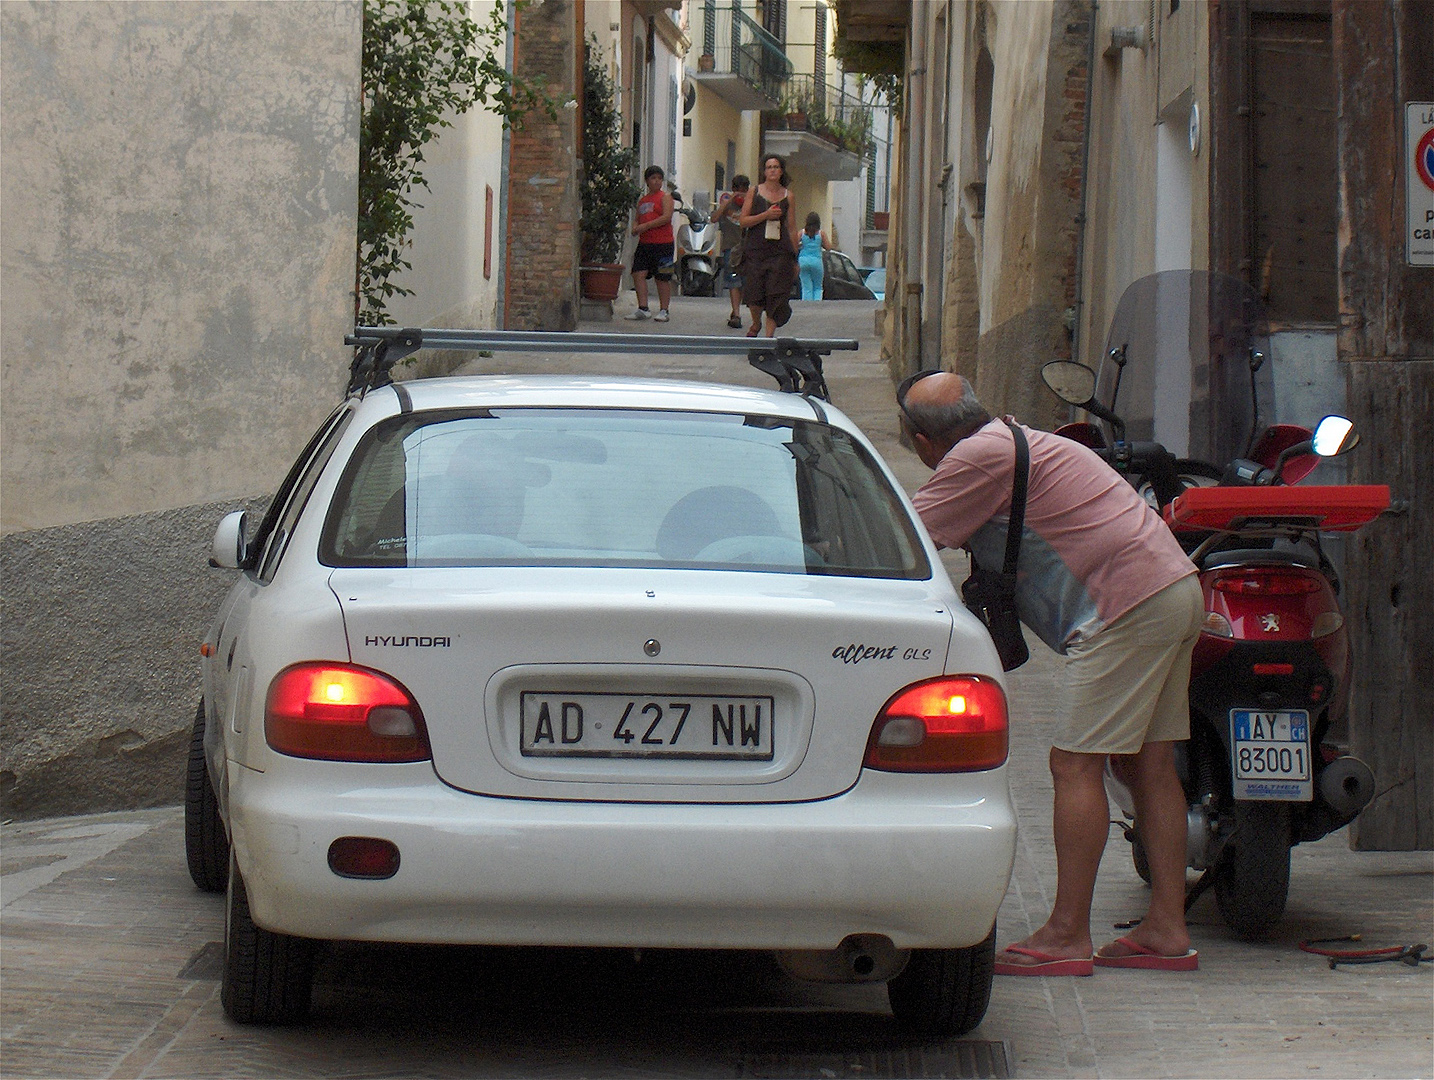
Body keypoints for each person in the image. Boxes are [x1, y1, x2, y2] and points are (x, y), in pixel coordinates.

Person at [897, 370, 1204, 975]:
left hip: (1123, 608)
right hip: (1175, 589)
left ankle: (1067, 933)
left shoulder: (974, 461)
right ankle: (1167, 928)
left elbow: (899, 542)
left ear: (925, 442)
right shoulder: (1024, 438)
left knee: (1073, 764)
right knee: (1149, 763)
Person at [737, 155, 798, 337]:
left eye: (776, 167)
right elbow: (743, 221)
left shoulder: (789, 196)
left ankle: (768, 337)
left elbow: (792, 227)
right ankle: (756, 323)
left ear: (781, 171)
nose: (772, 170)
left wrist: (796, 257)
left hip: (780, 252)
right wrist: (765, 215)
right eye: (769, 167)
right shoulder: (754, 192)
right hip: (756, 250)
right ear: (764, 171)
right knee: (754, 294)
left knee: (776, 295)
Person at [627, 165, 675, 322]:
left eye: (659, 178)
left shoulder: (665, 197)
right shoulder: (643, 201)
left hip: (663, 243)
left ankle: (664, 310)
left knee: (662, 277)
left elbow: (666, 217)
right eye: (653, 178)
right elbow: (637, 218)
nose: (657, 181)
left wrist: (645, 226)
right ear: (647, 181)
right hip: (645, 243)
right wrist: (635, 227)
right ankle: (643, 308)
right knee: (638, 273)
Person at [713, 174, 750, 329]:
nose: (741, 194)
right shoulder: (727, 206)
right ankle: (736, 314)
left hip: (747, 248)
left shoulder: (751, 205)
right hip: (731, 247)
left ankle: (736, 309)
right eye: (738, 190)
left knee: (742, 282)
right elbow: (713, 218)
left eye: (744, 191)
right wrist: (728, 201)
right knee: (733, 280)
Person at [797, 212, 831, 301]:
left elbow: (794, 245)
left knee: (806, 287)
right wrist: (821, 244)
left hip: (803, 261)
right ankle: (816, 306)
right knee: (818, 287)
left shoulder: (802, 233)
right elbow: (828, 247)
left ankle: (806, 305)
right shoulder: (821, 233)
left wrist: (801, 245)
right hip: (816, 261)